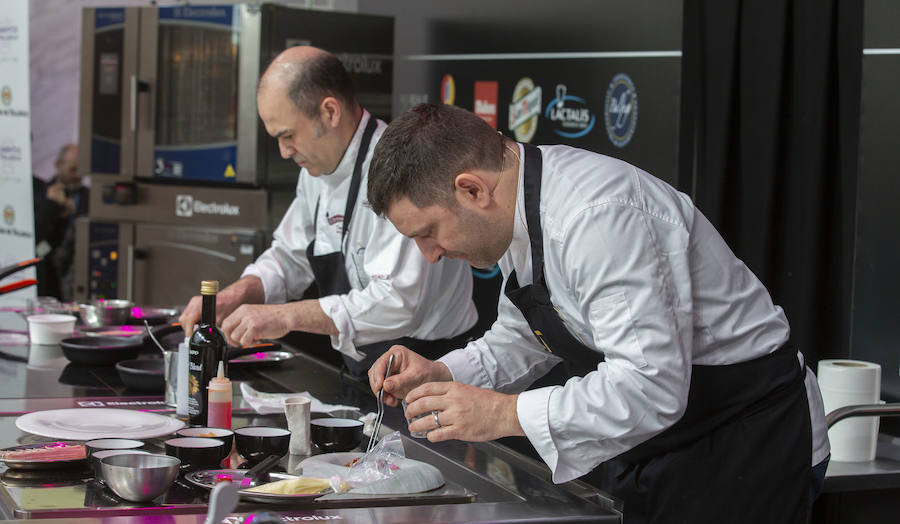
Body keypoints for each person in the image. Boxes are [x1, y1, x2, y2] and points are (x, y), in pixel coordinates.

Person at [365, 103, 830, 523]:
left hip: (745, 441)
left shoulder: (597, 217)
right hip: (665, 447)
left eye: (428, 232)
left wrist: (503, 414)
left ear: (471, 190)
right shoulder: (520, 210)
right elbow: (524, 334)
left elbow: (650, 386)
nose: (430, 255)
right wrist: (443, 372)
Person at [179, 48, 477, 378]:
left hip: (433, 367)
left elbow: (399, 301)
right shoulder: (315, 172)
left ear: (330, 112)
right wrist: (234, 296)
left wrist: (285, 316)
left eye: (288, 135)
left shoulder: (400, 168)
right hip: (365, 370)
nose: (284, 151)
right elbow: (289, 257)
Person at [32, 144, 88, 301]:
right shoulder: (40, 194)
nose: (77, 175)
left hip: (77, 279)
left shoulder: (88, 198)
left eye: (81, 170)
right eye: (72, 169)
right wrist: (52, 208)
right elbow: (35, 237)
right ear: (58, 165)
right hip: (47, 280)